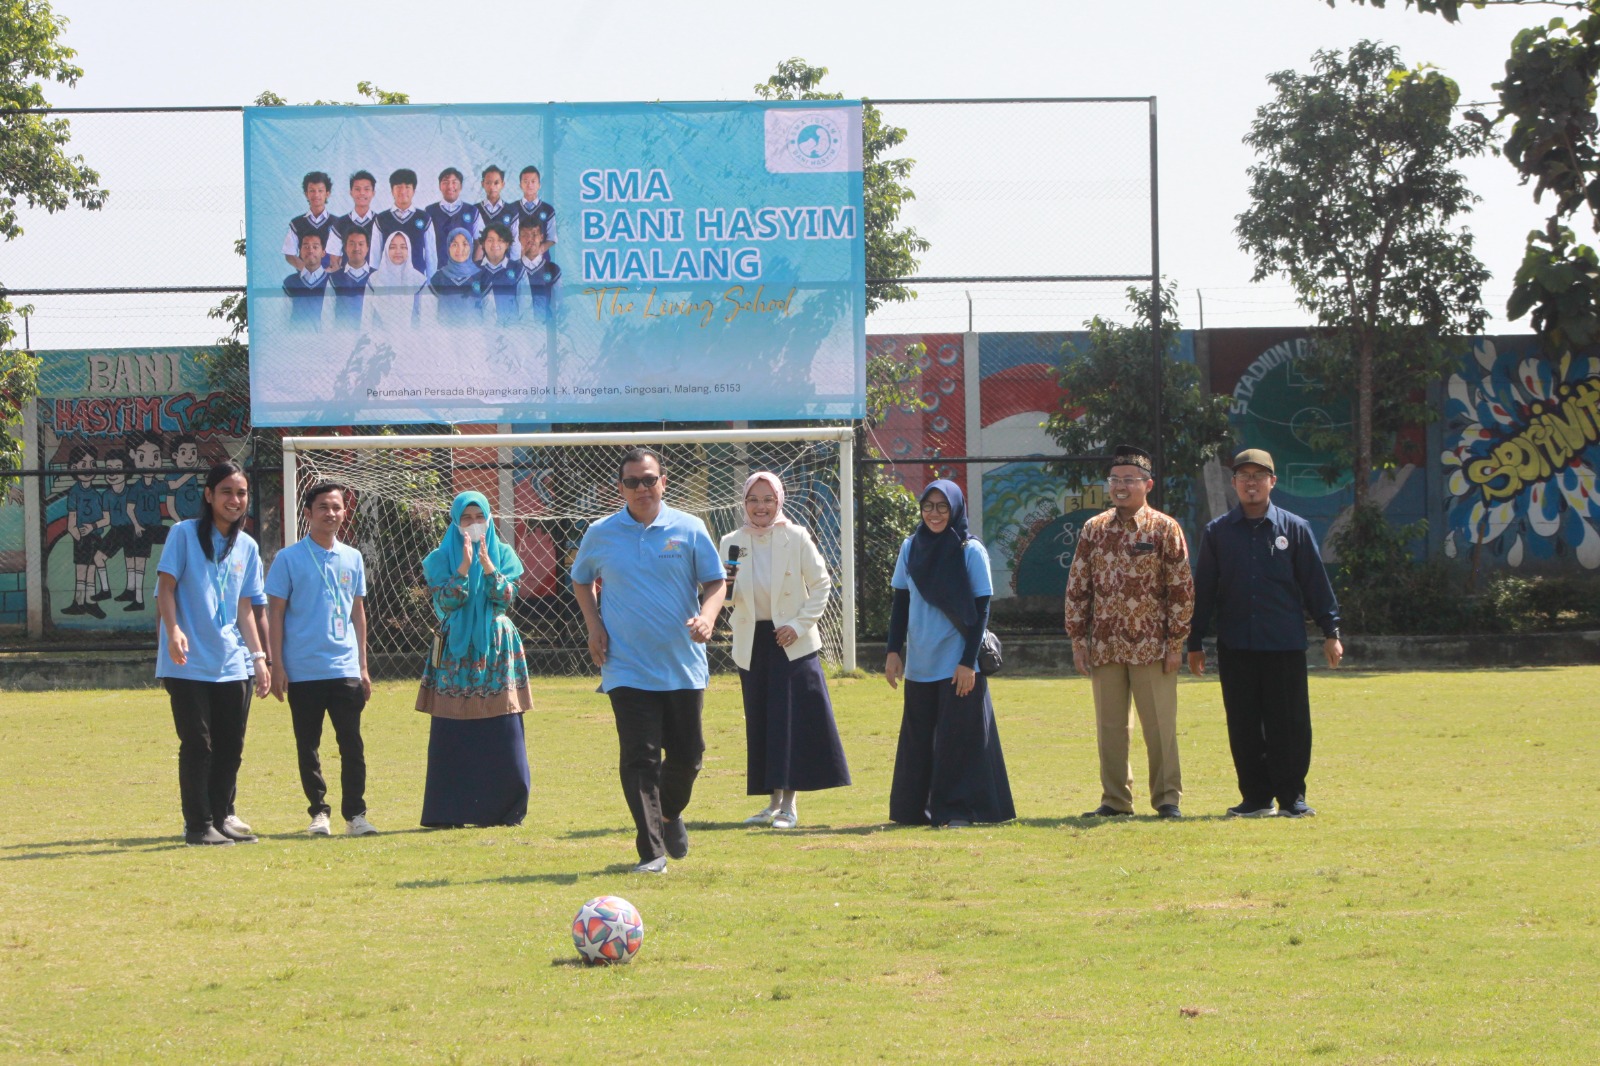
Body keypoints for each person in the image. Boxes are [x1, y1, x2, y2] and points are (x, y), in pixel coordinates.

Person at [571, 447, 726, 873]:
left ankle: (670, 814)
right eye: (633, 482)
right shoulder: (601, 532)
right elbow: (582, 581)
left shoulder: (690, 529)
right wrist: (594, 625)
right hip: (625, 666)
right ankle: (652, 852)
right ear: (620, 488)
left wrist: (708, 618)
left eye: (649, 479)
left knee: (688, 756)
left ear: (664, 482)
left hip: (682, 665)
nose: (642, 488)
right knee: (640, 757)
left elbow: (716, 581)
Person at [1188, 448, 1343, 818]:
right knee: (1243, 724)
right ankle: (1256, 798)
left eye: (1259, 475)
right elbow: (1205, 589)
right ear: (1234, 484)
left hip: (1284, 643)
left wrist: (1331, 631)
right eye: (1244, 476)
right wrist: (1194, 642)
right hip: (1236, 644)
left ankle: (1292, 798)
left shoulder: (1295, 529)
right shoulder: (1218, 533)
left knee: (1288, 723)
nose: (1251, 482)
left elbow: (1316, 586)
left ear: (1273, 481)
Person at [1064, 445, 1195, 820]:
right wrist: (1078, 639)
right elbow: (1078, 586)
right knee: (1110, 727)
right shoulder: (1094, 529)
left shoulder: (1164, 528)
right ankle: (1116, 801)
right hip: (1104, 644)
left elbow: (1181, 588)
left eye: (1129, 480)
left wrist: (1175, 643)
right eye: (1115, 480)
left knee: (1159, 726)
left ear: (1147, 484)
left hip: (1152, 646)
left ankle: (1167, 799)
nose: (1121, 487)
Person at [719, 472, 850, 830]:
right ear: (743, 503)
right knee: (762, 721)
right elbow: (724, 595)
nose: (760, 507)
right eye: (753, 500)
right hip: (752, 643)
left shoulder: (796, 536)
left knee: (790, 722)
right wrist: (723, 589)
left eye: (767, 499)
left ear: (779, 501)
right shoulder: (731, 540)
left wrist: (799, 624)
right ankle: (771, 803)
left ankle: (790, 806)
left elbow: (822, 583)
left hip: (791, 641)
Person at [885, 479, 1015, 828]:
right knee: (918, 740)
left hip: (958, 662)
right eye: (928, 506)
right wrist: (893, 651)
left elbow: (981, 610)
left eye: (943, 507)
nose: (935, 514)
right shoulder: (911, 547)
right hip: (920, 663)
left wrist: (967, 663)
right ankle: (914, 811)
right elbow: (901, 601)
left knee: (959, 739)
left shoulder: (970, 550)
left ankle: (959, 811)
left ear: (956, 508)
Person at [154, 461, 272, 846]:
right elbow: (166, 588)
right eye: (226, 492)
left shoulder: (248, 546)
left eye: (241, 493)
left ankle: (221, 819)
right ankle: (197, 825)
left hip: (232, 663)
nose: (235, 500)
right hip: (187, 663)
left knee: (230, 747)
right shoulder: (183, 534)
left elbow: (244, 608)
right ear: (208, 495)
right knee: (198, 744)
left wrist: (258, 657)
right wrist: (173, 630)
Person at [415, 491, 533, 827]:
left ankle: (504, 809)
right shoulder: (440, 558)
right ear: (455, 522)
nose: (473, 525)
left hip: (497, 646)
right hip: (456, 650)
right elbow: (447, 602)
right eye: (465, 518)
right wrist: (465, 567)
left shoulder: (504, 554)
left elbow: (506, 596)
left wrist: (488, 566)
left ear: (489, 521)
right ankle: (450, 810)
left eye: (478, 518)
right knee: (454, 727)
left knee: (502, 725)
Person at [266, 482, 378, 837]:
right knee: (308, 745)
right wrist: (277, 664)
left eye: (337, 507)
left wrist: (362, 665)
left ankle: (356, 815)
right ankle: (319, 812)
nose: (331, 513)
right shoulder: (288, 558)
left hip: (344, 668)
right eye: (323, 507)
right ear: (308, 513)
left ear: (345, 512)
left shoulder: (353, 557)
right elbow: (276, 614)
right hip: (303, 670)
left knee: (352, 745)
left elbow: (358, 613)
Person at [62, 446, 108, 618]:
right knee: (81, 571)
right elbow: (71, 521)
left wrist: (93, 527)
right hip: (81, 538)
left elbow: (106, 519)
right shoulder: (74, 492)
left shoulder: (97, 495)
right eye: (83, 464)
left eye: (92, 463)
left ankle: (91, 602)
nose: (88, 468)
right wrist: (78, 535)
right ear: (74, 468)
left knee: (91, 571)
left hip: (95, 537)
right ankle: (78, 602)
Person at [373, 168, 436, 277]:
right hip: (389, 279)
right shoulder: (381, 219)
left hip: (417, 279)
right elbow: (375, 255)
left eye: (407, 187)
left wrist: (431, 283)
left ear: (414, 191)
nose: (403, 191)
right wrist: (375, 281)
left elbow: (431, 255)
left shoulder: (424, 218)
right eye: (398, 187)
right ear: (392, 191)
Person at [426, 226, 484, 326]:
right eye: (454, 245)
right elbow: (429, 312)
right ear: (448, 248)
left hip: (474, 336)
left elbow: (489, 311)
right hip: (445, 336)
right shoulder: (438, 278)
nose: (459, 249)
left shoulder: (481, 276)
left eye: (465, 244)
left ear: (471, 247)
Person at [369, 230, 426, 330]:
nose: (398, 251)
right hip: (379, 341)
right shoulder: (373, 279)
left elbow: (425, 319)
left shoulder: (419, 280)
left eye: (403, 247)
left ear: (409, 250)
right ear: (386, 250)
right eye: (392, 247)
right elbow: (366, 317)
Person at [426, 167, 480, 268]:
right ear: (440, 186)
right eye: (445, 182)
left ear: (461, 186)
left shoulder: (472, 211)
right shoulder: (429, 211)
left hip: (464, 272)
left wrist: (473, 268)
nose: (450, 186)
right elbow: (425, 245)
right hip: (438, 272)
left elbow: (480, 243)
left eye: (454, 182)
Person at [282, 170, 334, 272]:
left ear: (327, 194)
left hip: (330, 280)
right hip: (304, 281)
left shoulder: (337, 223)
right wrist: (307, 271)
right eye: (312, 191)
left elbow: (343, 255)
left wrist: (325, 273)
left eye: (320, 191)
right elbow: (289, 254)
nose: (316, 195)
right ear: (306, 194)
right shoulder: (296, 223)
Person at [327, 169, 379, 270]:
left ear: (373, 193)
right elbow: (334, 260)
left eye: (367, 189)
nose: (362, 193)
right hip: (348, 282)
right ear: (351, 192)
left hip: (376, 282)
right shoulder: (339, 224)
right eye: (357, 189)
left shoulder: (381, 222)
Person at [327, 228, 375, 329]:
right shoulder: (334, 278)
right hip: (342, 337)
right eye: (352, 244)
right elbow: (327, 315)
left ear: (367, 248)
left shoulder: (377, 276)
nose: (356, 248)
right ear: (345, 248)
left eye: (361, 244)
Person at [282, 232, 331, 329]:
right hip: (297, 339)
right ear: (300, 252)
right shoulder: (289, 282)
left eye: (315, 247)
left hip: (327, 341)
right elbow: (284, 318)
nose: (310, 251)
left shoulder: (333, 281)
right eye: (306, 247)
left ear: (323, 252)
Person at [473, 164, 517, 253]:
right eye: (488, 183)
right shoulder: (475, 210)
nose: (492, 187)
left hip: (504, 262)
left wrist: (513, 263)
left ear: (503, 184)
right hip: (481, 262)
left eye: (496, 183)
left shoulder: (512, 211)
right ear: (482, 184)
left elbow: (515, 241)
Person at [514, 165, 556, 252]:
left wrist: (538, 252)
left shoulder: (548, 210)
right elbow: (507, 236)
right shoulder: (511, 208)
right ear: (520, 185)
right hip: (518, 259)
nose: (529, 185)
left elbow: (552, 238)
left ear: (539, 185)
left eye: (533, 181)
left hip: (541, 260)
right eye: (525, 181)